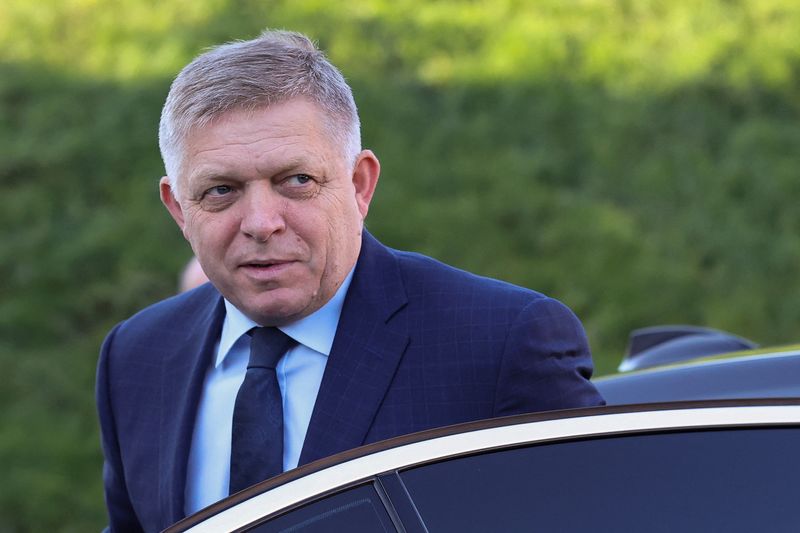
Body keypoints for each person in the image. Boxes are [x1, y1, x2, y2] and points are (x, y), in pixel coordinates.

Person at [96, 29, 604, 532]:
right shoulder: (137, 357)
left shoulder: (500, 346)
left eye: (296, 181)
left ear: (360, 185)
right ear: (179, 210)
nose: (261, 222)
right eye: (221, 190)